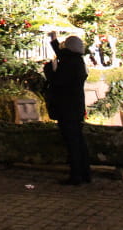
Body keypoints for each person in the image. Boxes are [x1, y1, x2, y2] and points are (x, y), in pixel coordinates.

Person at [44, 31, 91, 185]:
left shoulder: (70, 64)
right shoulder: (77, 61)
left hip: (67, 107)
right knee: (78, 140)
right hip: (75, 107)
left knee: (72, 142)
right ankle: (85, 173)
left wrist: (49, 71)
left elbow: (58, 81)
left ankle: (76, 175)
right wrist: (54, 40)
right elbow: (62, 53)